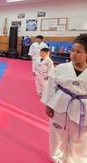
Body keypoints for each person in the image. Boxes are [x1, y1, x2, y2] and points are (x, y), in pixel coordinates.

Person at [41, 34, 87, 163]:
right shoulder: (61, 68)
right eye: (72, 50)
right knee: (57, 133)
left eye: (79, 52)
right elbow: (51, 86)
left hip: (82, 108)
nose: (73, 54)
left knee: (80, 136)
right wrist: (48, 104)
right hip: (60, 104)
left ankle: (77, 159)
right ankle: (57, 158)